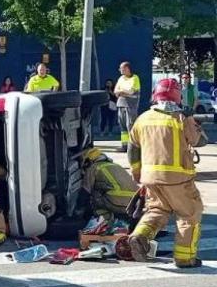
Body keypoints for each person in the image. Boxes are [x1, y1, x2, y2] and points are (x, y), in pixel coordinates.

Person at [121, 78, 208, 267]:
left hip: (151, 178)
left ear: (155, 95)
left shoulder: (143, 118)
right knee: (189, 214)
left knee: (157, 210)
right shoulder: (180, 118)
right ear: (177, 98)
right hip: (178, 179)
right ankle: (185, 259)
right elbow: (199, 141)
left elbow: (132, 148)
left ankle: (139, 236)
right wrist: (191, 118)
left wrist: (136, 172)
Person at [81, 148, 138, 220]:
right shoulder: (116, 166)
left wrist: (78, 210)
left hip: (117, 203)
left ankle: (104, 216)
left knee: (95, 192)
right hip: (134, 204)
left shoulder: (94, 167)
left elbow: (85, 191)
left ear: (89, 161)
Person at [114, 61, 140, 152]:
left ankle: (132, 147)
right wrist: (122, 92)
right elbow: (116, 90)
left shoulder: (135, 78)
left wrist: (122, 92)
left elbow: (131, 91)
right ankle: (124, 146)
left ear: (127, 69)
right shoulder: (121, 78)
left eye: (122, 68)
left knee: (130, 125)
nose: (120, 70)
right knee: (122, 127)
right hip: (121, 104)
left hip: (131, 105)